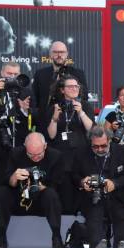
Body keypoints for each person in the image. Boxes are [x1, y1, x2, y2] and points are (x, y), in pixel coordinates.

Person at [0, 132, 64, 248]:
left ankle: (56, 237)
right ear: (25, 147)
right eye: (31, 154)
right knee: (2, 193)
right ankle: (1, 236)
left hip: (42, 197)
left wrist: (42, 186)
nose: (35, 158)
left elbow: (58, 184)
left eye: (39, 154)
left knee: (51, 195)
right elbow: (6, 180)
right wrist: (14, 177)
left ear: (45, 146)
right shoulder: (15, 154)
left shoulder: (55, 156)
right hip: (19, 196)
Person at [74, 126, 124, 248]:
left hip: (117, 195)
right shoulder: (81, 153)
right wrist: (83, 182)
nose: (100, 149)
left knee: (121, 214)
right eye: (95, 147)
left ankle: (121, 246)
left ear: (109, 141)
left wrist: (115, 183)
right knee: (95, 215)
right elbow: (73, 175)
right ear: (90, 142)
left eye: (103, 146)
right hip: (92, 196)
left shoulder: (123, 152)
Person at [45, 75, 94, 213]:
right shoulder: (55, 107)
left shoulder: (85, 105)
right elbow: (51, 135)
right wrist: (54, 118)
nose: (74, 88)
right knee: (66, 192)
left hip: (81, 154)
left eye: (76, 86)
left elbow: (92, 130)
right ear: (62, 90)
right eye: (70, 86)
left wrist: (82, 113)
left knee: (82, 188)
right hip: (62, 155)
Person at [0, 62, 39, 202]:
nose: (12, 78)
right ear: (2, 73)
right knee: (0, 178)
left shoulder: (26, 91)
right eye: (9, 74)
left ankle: (21, 206)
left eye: (15, 74)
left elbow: (35, 119)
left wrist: (26, 111)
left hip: (19, 144)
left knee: (20, 177)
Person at [32, 41, 88, 110]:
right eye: (55, 52)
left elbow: (84, 98)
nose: (59, 55)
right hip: (46, 118)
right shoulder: (40, 74)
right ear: (50, 54)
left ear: (67, 54)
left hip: (72, 117)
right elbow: (35, 99)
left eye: (62, 52)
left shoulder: (78, 74)